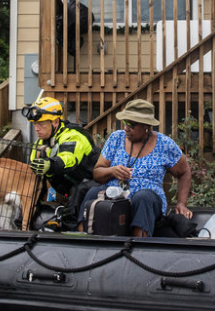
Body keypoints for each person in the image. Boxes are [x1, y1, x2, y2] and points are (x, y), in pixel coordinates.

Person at [84, 99, 192, 237]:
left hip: (148, 201)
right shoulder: (116, 138)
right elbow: (97, 173)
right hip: (117, 197)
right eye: (125, 122)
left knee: (143, 198)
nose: (126, 128)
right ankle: (84, 243)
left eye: (131, 124)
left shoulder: (164, 144)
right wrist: (112, 171)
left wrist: (181, 203)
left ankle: (138, 248)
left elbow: (184, 172)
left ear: (146, 126)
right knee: (92, 193)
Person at [22, 97, 99, 229]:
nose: (36, 128)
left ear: (55, 122)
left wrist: (50, 164)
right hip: (66, 190)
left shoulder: (73, 135)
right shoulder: (40, 144)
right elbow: (34, 173)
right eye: (35, 124)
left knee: (79, 190)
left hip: (92, 184)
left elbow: (68, 158)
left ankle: (71, 232)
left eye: (41, 124)